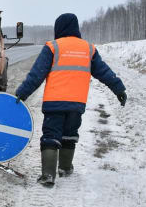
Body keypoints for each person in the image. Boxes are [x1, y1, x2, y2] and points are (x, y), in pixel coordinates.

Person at [15, 13, 126, 187]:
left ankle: (48, 175)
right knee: (69, 135)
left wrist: (22, 93)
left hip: (54, 103)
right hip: (77, 104)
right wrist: (119, 88)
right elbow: (104, 72)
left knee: (51, 136)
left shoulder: (52, 47)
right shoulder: (88, 49)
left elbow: (36, 74)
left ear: (58, 28)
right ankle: (65, 168)